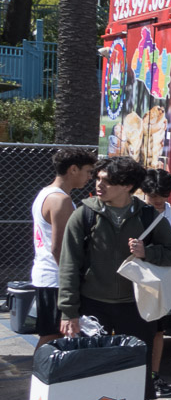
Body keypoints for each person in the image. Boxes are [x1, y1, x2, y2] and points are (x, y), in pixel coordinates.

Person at [57, 158, 171, 400]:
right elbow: (68, 265)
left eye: (107, 180)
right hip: (93, 306)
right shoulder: (84, 214)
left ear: (127, 186)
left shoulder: (148, 216)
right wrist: (68, 311)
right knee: (90, 369)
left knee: (138, 369)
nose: (98, 184)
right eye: (98, 178)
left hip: (136, 306)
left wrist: (148, 252)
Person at [30, 146, 97, 346]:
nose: (89, 177)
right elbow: (59, 248)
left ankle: (45, 374)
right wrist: (73, 279)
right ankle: (40, 375)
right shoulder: (61, 199)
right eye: (88, 171)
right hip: (55, 278)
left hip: (48, 275)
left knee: (56, 334)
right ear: (73, 169)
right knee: (52, 335)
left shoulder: (46, 193)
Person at [139, 168, 171, 398]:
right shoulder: (135, 210)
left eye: (162, 196)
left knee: (158, 330)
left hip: (162, 277)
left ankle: (153, 377)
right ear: (143, 191)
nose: (157, 201)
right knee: (136, 328)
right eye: (152, 196)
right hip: (137, 278)